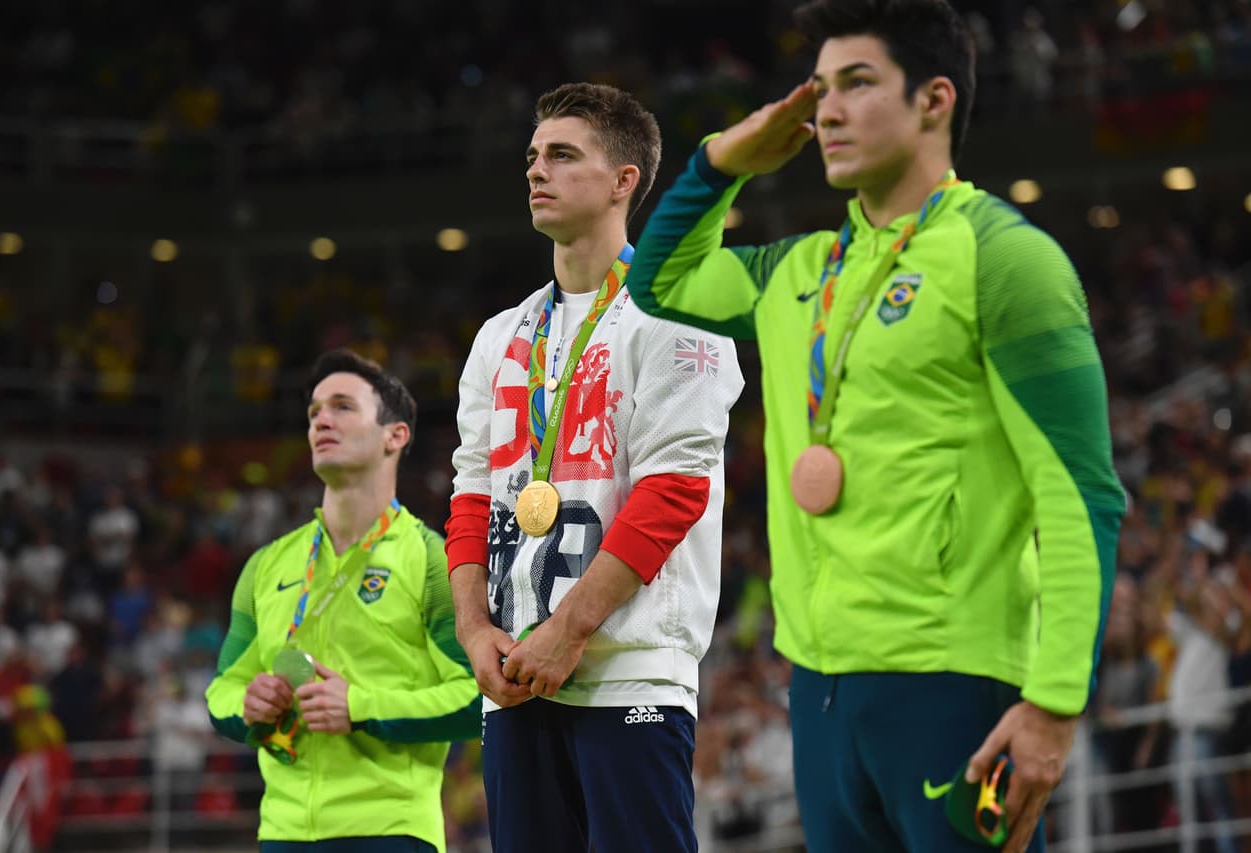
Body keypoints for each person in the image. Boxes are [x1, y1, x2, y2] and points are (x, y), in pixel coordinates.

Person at [623, 1, 1125, 851]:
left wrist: (1054, 701)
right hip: (819, 689)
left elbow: (1081, 496)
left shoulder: (1006, 259)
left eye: (857, 84)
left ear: (934, 101)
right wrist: (720, 162)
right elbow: (659, 283)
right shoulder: (798, 272)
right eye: (819, 90)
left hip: (954, 679)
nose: (826, 111)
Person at [445, 82, 743, 853]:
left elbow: (672, 492)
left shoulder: (681, 313)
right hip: (514, 677)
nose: (536, 170)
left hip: (628, 668)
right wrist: (475, 630)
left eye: (562, 154)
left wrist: (569, 629)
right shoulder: (499, 336)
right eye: (534, 156)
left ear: (623, 181)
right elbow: (472, 496)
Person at [206, 349, 480, 853]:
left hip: (391, 831)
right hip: (283, 834)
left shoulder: (435, 564)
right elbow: (223, 687)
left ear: (395, 435)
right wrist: (248, 705)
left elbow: (477, 698)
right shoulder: (266, 566)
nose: (321, 421)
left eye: (341, 407)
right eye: (313, 412)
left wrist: (360, 705)